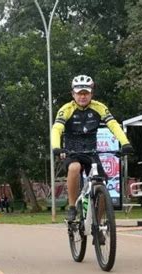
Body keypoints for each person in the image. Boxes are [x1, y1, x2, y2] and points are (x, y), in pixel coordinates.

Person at [51, 75, 134, 222]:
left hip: (91, 152)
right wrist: (57, 147)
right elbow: (57, 128)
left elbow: (113, 125)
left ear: (91, 94)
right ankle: (72, 207)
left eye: (86, 93)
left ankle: (99, 223)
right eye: (79, 93)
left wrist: (125, 143)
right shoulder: (66, 109)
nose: (82, 96)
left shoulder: (99, 107)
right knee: (75, 168)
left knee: (101, 186)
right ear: (73, 94)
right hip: (72, 151)